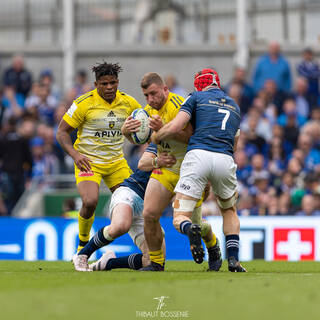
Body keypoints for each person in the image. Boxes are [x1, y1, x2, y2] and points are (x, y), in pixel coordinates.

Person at [122, 72, 222, 272]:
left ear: (165, 89)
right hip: (165, 170)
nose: (151, 99)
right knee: (149, 214)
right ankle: (156, 263)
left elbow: (194, 138)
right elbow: (142, 140)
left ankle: (212, 244)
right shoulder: (147, 112)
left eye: (154, 93)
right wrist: (127, 134)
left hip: (190, 172)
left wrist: (165, 128)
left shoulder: (182, 105)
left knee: (192, 224)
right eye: (146, 96)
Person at [154, 68, 246, 272]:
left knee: (180, 217)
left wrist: (156, 136)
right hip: (224, 157)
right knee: (229, 211)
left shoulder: (195, 97)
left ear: (199, 85)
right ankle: (233, 260)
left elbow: (176, 126)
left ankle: (191, 228)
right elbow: (235, 145)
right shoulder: (234, 106)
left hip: (198, 156)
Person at [56, 62, 142, 252]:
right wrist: (75, 155)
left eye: (112, 83)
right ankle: (83, 245)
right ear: (96, 85)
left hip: (116, 163)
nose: (109, 87)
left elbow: (143, 126)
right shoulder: (83, 103)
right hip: (88, 161)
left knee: (132, 205)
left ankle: (147, 250)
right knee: (89, 202)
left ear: (117, 82)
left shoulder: (128, 102)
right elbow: (61, 132)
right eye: (104, 84)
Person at [72, 144, 174, 271]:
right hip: (130, 192)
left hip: (147, 210)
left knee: (153, 262)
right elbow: (142, 163)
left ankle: (108, 263)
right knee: (121, 226)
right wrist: (158, 161)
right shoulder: (164, 143)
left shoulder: (189, 160)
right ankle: (82, 254)